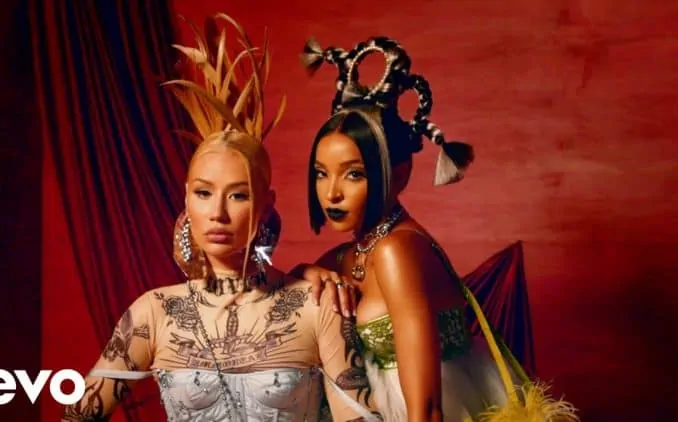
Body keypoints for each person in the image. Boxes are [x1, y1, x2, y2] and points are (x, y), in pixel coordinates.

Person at [61, 15, 380, 422]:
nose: (218, 213)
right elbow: (77, 416)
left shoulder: (314, 306)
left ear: (265, 204)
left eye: (238, 195)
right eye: (203, 193)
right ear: (186, 199)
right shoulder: (154, 312)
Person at [292, 36, 579, 422]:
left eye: (354, 174)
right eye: (321, 174)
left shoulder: (396, 251)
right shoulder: (349, 254)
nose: (332, 193)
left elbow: (427, 410)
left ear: (400, 174)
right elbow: (285, 294)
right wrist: (307, 271)